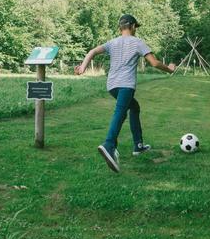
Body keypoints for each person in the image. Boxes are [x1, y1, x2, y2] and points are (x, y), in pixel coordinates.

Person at [74, 14, 176, 173]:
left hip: (112, 85)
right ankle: (109, 144)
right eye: (136, 27)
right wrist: (169, 69)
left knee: (134, 107)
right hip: (126, 85)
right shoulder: (137, 42)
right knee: (120, 113)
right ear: (133, 26)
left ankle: (138, 145)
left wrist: (82, 68)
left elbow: (92, 51)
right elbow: (154, 63)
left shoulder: (112, 42)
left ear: (120, 27)